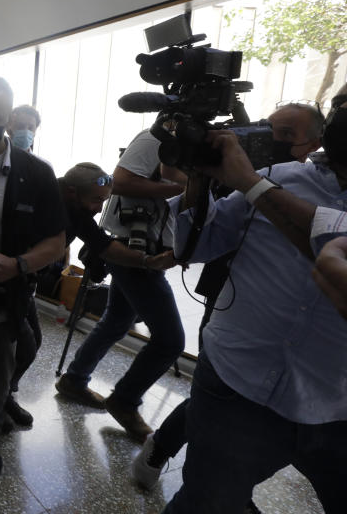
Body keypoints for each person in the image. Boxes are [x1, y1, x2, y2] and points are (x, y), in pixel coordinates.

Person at [132, 99, 326, 490]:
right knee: (218, 392)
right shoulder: (241, 167)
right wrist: (202, 181)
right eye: (268, 128)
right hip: (233, 304)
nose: (271, 139)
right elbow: (197, 236)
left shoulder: (305, 188)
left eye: (286, 135)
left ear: (314, 144)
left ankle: (232, 487)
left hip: (313, 365)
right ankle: (166, 451)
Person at [0, 76, 67, 479]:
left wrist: (17, 264)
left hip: (2, 296)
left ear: (8, 118)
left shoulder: (35, 173)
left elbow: (55, 241)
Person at [55, 128, 186, 444]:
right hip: (135, 247)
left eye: (103, 200)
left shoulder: (81, 211)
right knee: (170, 341)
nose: (99, 208)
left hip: (139, 254)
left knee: (117, 320)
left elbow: (102, 242)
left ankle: (74, 379)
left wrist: (146, 262)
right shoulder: (154, 140)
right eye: (95, 201)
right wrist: (180, 187)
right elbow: (122, 183)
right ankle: (124, 400)